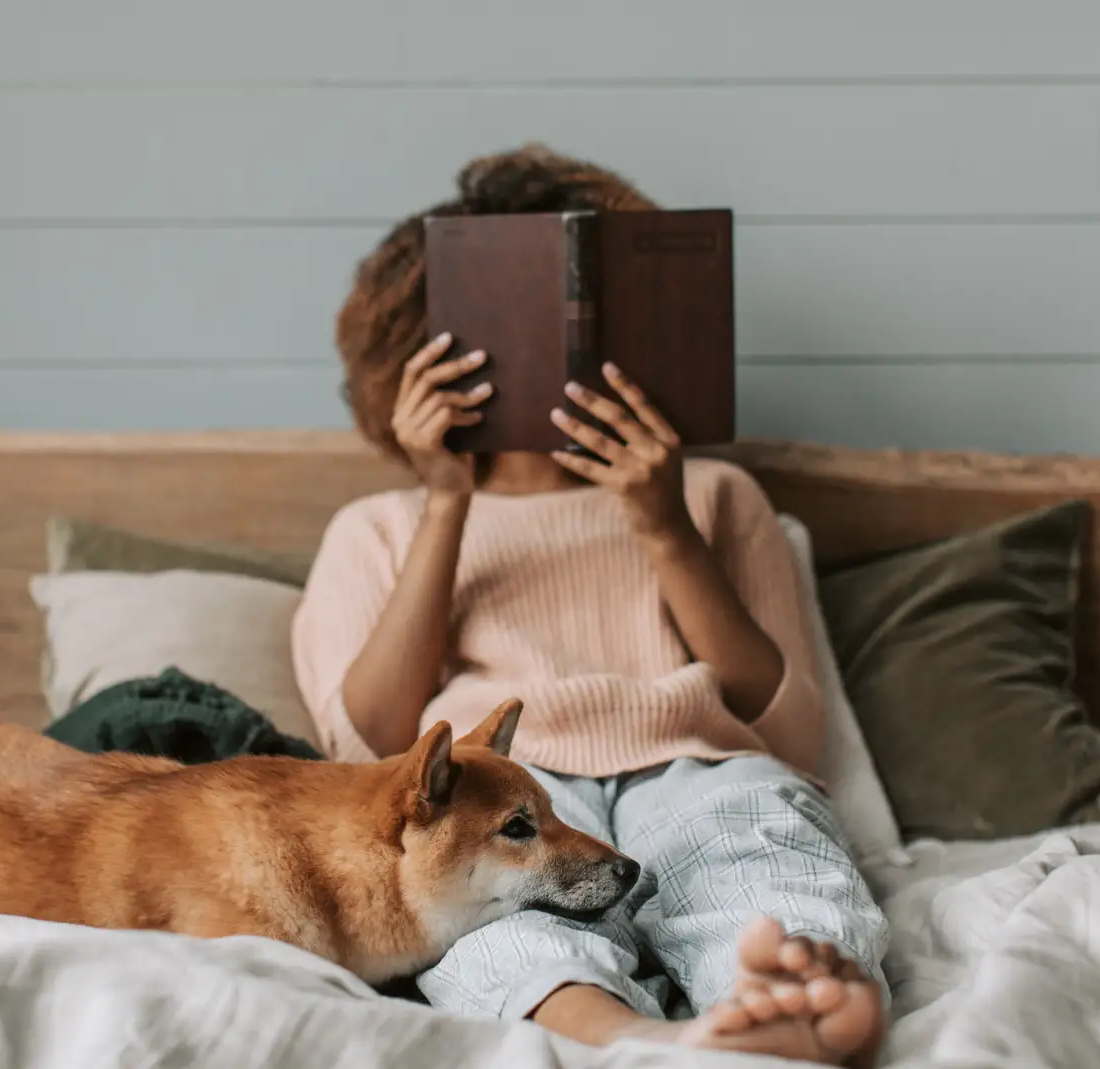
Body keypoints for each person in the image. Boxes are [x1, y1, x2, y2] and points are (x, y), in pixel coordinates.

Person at [292, 145, 889, 1065]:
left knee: (760, 849)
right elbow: (370, 743)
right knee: (480, 907)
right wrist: (446, 500)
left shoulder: (716, 494)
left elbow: (791, 732)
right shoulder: (380, 524)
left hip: (692, 761)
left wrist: (661, 523)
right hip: (502, 784)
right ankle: (624, 1037)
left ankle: (785, 1009)